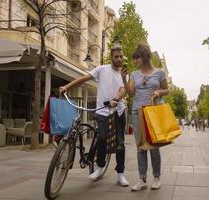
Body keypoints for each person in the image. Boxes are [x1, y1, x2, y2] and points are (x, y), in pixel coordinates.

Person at [59, 47, 129, 187]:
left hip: (118, 112)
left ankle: (120, 174)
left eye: (121, 56)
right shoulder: (102, 69)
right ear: (111, 57)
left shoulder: (124, 74)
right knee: (102, 137)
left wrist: (115, 99)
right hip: (102, 111)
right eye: (116, 56)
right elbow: (84, 79)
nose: (119, 59)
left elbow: (124, 89)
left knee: (120, 145)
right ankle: (100, 167)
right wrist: (67, 86)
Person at [121, 43, 169, 191]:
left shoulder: (160, 72)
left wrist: (159, 93)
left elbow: (167, 90)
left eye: (138, 57)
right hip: (137, 112)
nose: (135, 61)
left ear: (145, 57)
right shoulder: (134, 74)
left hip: (153, 111)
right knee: (140, 147)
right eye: (134, 58)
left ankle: (156, 177)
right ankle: (142, 179)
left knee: (154, 147)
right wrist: (124, 78)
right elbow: (131, 93)